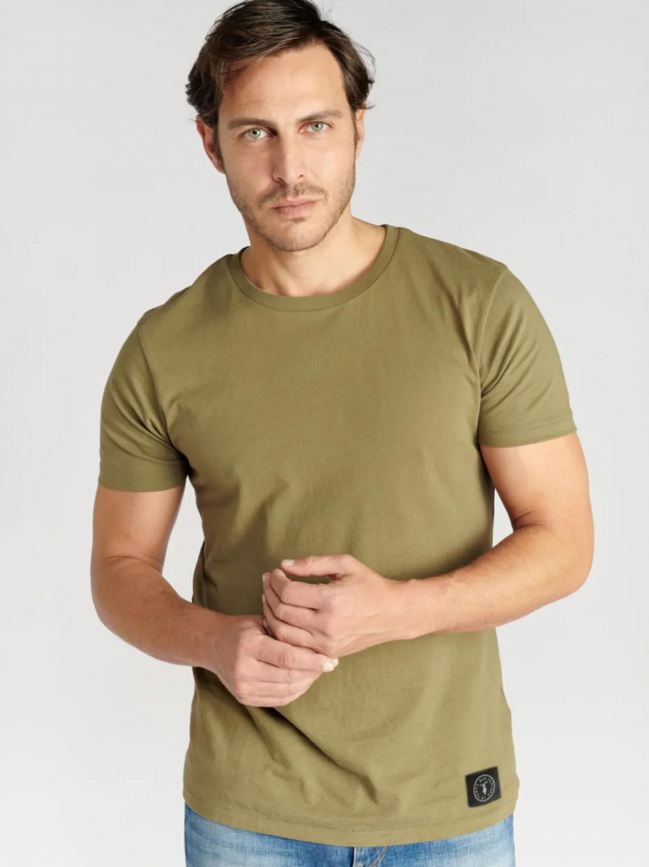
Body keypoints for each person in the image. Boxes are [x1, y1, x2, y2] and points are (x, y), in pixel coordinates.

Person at [90, 1, 594, 864]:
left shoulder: (478, 304)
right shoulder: (163, 348)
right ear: (210, 144)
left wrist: (397, 610)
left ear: (359, 127)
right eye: (255, 133)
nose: (290, 167)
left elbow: (566, 541)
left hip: (447, 802)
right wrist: (215, 641)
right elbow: (118, 566)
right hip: (248, 812)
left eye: (316, 125)